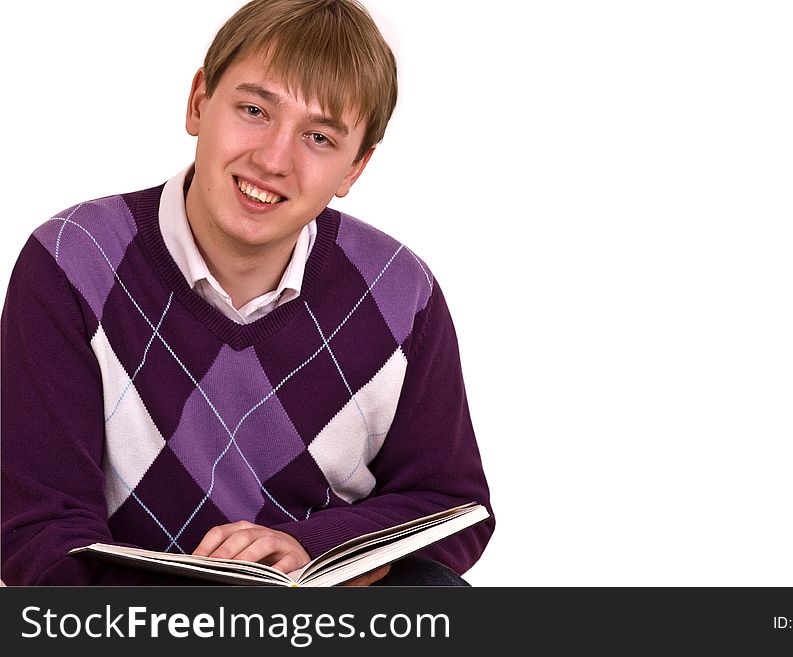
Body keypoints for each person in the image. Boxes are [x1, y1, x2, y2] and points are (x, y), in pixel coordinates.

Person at [0, 0, 493, 586]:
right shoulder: (73, 261)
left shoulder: (398, 289)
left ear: (354, 168)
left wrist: (312, 545)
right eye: (255, 110)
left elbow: (454, 509)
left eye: (318, 136)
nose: (273, 160)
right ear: (199, 103)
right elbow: (38, 529)